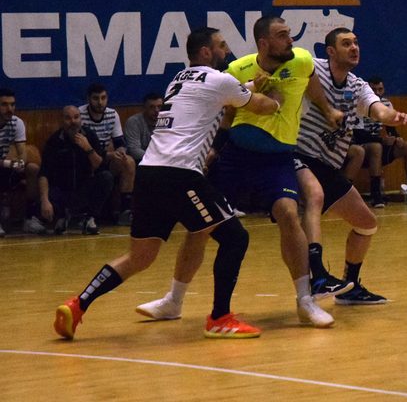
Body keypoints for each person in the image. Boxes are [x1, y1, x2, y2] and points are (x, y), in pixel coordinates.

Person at [53, 27, 281, 340]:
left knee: (140, 257)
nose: (227, 51)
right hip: (180, 174)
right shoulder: (220, 81)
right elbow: (257, 105)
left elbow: (224, 94)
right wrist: (277, 99)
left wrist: (253, 84)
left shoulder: (178, 80)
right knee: (235, 238)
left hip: (149, 173)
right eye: (221, 45)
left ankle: (78, 304)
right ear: (205, 52)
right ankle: (220, 318)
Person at [135, 16, 339, 328]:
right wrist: (214, 149)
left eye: (289, 33)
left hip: (276, 159)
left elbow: (312, 80)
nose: (290, 40)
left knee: (288, 214)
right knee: (200, 226)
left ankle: (305, 301)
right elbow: (224, 111)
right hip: (237, 157)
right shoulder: (237, 69)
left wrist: (328, 109)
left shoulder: (301, 60)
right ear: (264, 43)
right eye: (282, 35)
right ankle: (173, 300)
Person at [295, 28, 407, 304]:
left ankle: (350, 286)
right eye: (346, 44)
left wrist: (393, 116)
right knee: (313, 201)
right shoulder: (312, 69)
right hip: (299, 156)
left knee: (367, 223)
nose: (354, 48)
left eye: (355, 43)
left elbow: (378, 110)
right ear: (330, 51)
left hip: (328, 166)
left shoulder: (357, 85)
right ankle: (317, 278)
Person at [345, 77, 407, 207]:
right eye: (373, 89)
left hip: (378, 144)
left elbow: (391, 128)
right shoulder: (360, 104)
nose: (377, 92)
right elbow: (358, 135)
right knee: (376, 147)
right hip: (362, 145)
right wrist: (382, 140)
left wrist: (396, 138)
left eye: (380, 89)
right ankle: (376, 195)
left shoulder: (386, 104)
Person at [37, 106, 113, 235]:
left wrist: (88, 148)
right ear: (61, 121)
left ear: (81, 119)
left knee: (106, 177)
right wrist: (44, 200)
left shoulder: (90, 135)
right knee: (47, 190)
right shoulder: (54, 141)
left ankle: (90, 219)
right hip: (61, 191)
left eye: (76, 117)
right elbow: (43, 173)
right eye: (68, 118)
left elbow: (99, 165)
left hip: (83, 189)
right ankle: (62, 216)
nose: (73, 121)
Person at [79, 83, 136, 225]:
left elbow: (120, 142)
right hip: (85, 159)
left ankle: (125, 211)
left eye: (103, 98)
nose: (100, 102)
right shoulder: (79, 115)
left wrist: (121, 152)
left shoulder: (112, 114)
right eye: (96, 98)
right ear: (88, 99)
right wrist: (108, 154)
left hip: (106, 158)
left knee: (128, 161)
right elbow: (79, 146)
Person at [0, 88, 40, 236]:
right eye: (4, 104)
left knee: (33, 168)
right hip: (4, 165)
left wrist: (20, 163)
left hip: (9, 166)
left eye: (12, 104)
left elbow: (22, 151)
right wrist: (8, 163)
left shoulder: (17, 123)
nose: (9, 109)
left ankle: (29, 218)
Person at [124, 92, 163, 163]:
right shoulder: (134, 122)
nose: (156, 110)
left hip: (162, 161)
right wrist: (157, 159)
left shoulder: (166, 121)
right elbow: (134, 150)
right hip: (141, 162)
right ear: (144, 108)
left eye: (159, 107)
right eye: (152, 107)